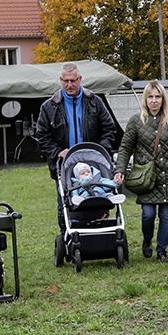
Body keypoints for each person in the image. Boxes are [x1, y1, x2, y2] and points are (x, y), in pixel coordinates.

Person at [35, 61, 118, 234]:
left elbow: (109, 129)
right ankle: (67, 236)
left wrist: (99, 150)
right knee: (65, 203)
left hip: (93, 163)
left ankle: (101, 234)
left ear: (80, 79)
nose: (69, 85)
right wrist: (57, 152)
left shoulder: (95, 102)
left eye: (73, 80)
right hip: (65, 165)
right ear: (60, 80)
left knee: (98, 197)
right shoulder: (49, 107)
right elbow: (42, 136)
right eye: (66, 81)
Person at [113, 80, 168, 263]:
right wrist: (120, 169)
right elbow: (125, 147)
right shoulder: (136, 121)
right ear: (145, 99)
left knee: (166, 215)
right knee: (148, 214)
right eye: (150, 97)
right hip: (147, 177)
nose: (154, 101)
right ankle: (147, 241)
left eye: (157, 97)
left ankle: (162, 250)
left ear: (163, 98)